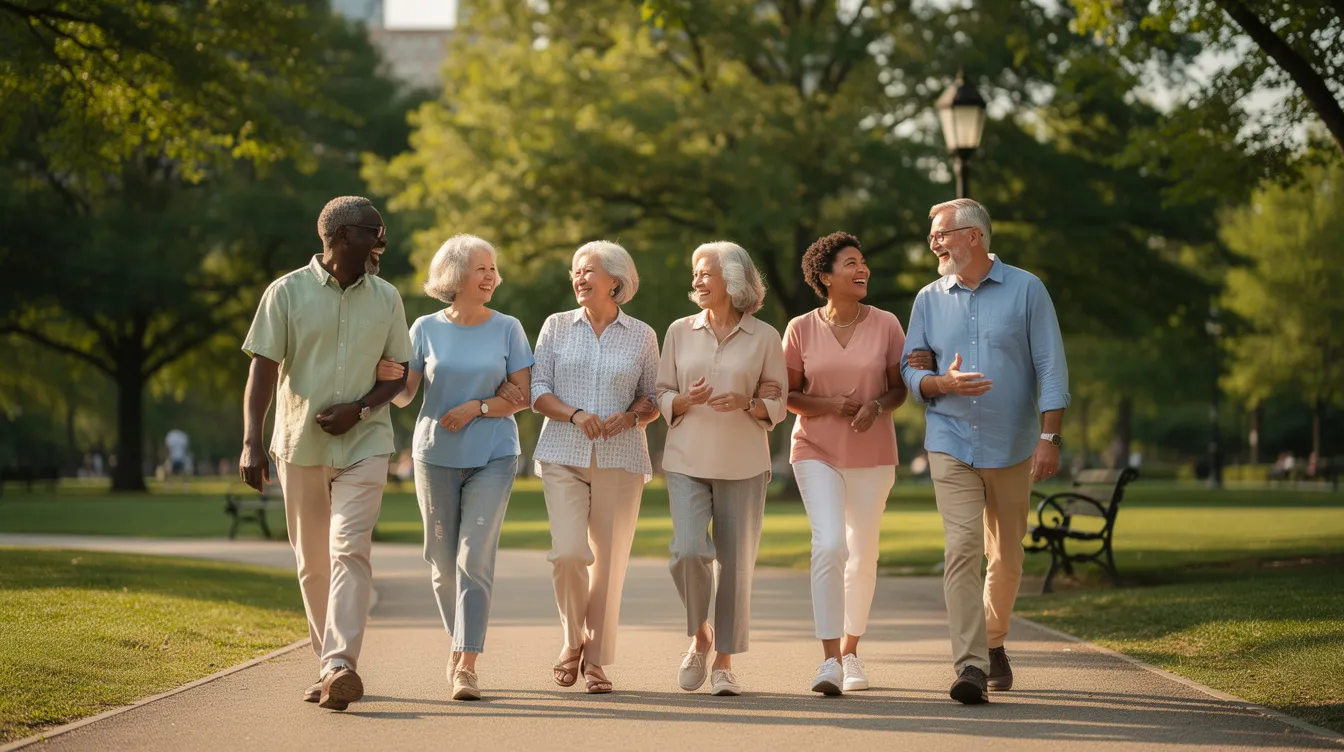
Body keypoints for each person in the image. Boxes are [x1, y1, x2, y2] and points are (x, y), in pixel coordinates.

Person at [239, 195, 411, 712]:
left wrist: (360, 409)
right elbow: (263, 370)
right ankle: (327, 668)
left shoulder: (388, 297)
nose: (382, 241)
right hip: (300, 444)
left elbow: (399, 374)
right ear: (340, 236)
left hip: (366, 442)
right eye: (373, 232)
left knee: (349, 549)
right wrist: (251, 441)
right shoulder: (285, 292)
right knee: (313, 563)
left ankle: (339, 663)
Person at [901, 198, 1069, 705]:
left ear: (973, 235)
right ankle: (970, 665)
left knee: (1008, 554)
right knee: (962, 548)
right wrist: (939, 382)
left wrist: (1050, 437)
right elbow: (910, 369)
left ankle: (993, 641)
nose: (934, 243)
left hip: (1012, 444)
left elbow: (1051, 366)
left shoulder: (1027, 289)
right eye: (932, 235)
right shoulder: (928, 299)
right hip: (950, 439)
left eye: (942, 234)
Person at [380, 233, 533, 701]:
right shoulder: (424, 327)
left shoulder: (508, 328)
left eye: (493, 268)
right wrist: (388, 378)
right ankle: (459, 639)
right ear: (455, 275)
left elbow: (522, 396)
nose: (491, 276)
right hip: (434, 456)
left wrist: (477, 408)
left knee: (474, 557)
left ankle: (466, 663)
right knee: (442, 563)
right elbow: (406, 396)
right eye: (480, 268)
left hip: (494, 455)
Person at [656, 241, 787, 697]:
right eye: (695, 272)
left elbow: (777, 399)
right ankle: (700, 635)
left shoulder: (766, 337)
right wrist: (681, 400)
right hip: (686, 459)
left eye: (705, 272)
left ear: (732, 280)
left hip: (744, 462)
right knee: (688, 551)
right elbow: (661, 391)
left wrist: (749, 403)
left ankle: (725, 661)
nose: (696, 280)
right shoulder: (679, 330)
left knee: (735, 567)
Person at [529, 241, 661, 694]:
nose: (579, 278)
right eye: (576, 271)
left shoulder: (642, 335)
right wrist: (574, 414)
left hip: (622, 458)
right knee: (569, 554)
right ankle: (572, 641)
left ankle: (597, 660)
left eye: (588, 271)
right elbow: (537, 390)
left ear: (615, 281)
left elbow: (652, 396)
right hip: (562, 454)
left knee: (609, 564)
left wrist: (633, 416)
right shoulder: (555, 326)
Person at [782, 232, 908, 695]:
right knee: (830, 545)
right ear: (825, 276)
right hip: (815, 449)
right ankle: (829, 660)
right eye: (851, 263)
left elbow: (900, 388)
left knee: (863, 554)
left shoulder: (887, 324)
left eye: (863, 261)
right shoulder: (800, 328)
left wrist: (876, 405)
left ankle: (852, 651)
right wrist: (828, 405)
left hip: (873, 455)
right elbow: (789, 395)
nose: (863, 269)